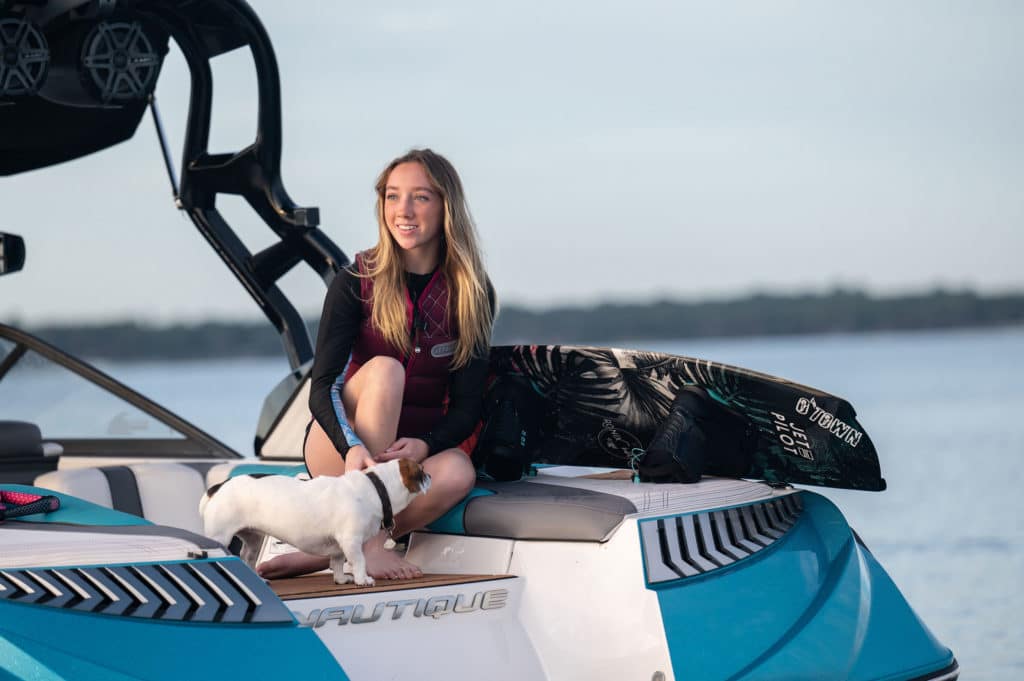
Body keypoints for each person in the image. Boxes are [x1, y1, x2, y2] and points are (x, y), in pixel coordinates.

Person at [257, 149, 494, 581]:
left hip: (405, 458)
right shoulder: (355, 281)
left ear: (446, 206)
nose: (402, 210)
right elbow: (322, 386)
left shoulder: (471, 292)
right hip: (344, 450)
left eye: (420, 197)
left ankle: (325, 552)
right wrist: (351, 447)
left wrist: (424, 445)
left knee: (458, 472)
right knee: (386, 370)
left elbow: (465, 407)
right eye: (392, 196)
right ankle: (367, 546)